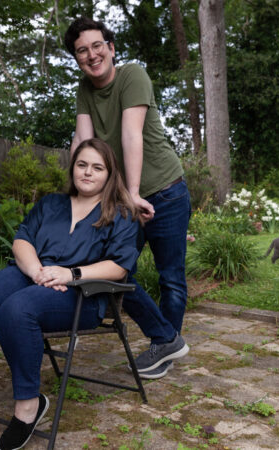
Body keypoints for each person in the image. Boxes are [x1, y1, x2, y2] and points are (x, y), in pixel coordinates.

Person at [0, 138, 141, 449]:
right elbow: (22, 240)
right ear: (73, 168)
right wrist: (38, 272)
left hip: (81, 293)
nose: (88, 172)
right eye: (82, 164)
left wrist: (70, 273)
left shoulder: (121, 214)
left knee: (16, 311)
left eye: (97, 167)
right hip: (31, 274)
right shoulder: (51, 204)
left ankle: (28, 406)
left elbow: (118, 267)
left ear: (109, 173)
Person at [64, 16, 192, 380]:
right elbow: (86, 145)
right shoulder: (84, 90)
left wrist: (134, 193)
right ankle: (166, 337)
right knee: (110, 268)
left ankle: (161, 350)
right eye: (81, 51)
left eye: (96, 46)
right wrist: (76, 193)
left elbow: (131, 136)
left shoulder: (132, 74)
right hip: (124, 198)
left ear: (111, 47)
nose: (91, 55)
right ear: (77, 58)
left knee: (170, 277)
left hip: (165, 191)